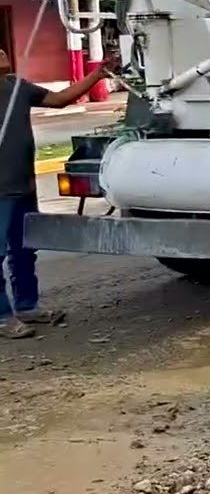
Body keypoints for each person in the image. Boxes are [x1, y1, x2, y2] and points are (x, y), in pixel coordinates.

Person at [0, 46, 118, 339]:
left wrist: (97, 74)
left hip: (23, 186)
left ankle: (28, 305)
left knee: (25, 250)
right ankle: (2, 317)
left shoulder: (17, 87)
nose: (2, 52)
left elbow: (61, 99)